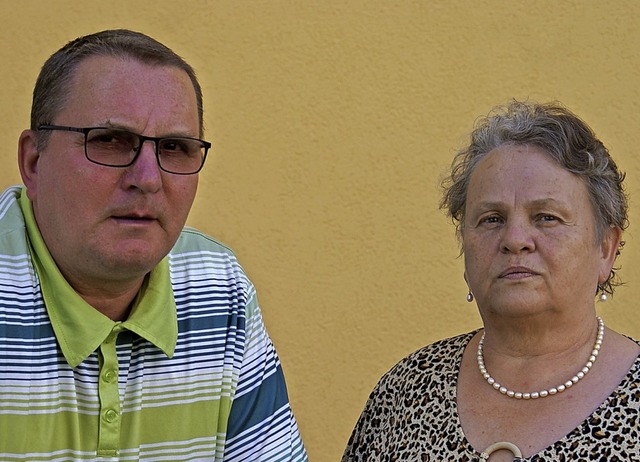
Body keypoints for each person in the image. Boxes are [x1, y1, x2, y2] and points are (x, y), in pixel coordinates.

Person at [0, 29, 307, 461]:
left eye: (174, 147)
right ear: (33, 162)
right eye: (108, 141)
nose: (147, 179)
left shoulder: (218, 288)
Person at [342, 101, 640, 461]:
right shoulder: (405, 392)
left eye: (546, 217)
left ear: (606, 248)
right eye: (492, 219)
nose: (515, 239)